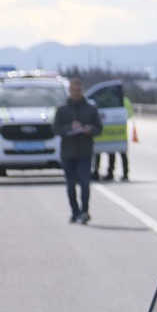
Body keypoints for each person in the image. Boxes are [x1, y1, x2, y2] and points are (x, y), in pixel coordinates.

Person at [54, 78, 102, 224]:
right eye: (74, 90)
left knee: (85, 183)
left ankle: (84, 211)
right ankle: (75, 212)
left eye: (79, 90)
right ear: (69, 91)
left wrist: (89, 129)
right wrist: (69, 127)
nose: (76, 93)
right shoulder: (62, 109)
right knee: (70, 186)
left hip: (85, 152)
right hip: (68, 153)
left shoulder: (90, 109)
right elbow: (55, 129)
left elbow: (99, 128)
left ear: (82, 91)